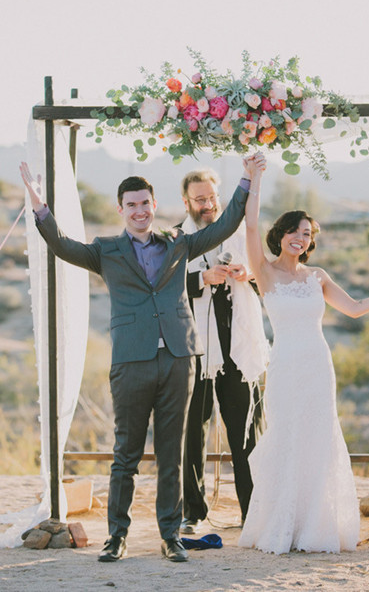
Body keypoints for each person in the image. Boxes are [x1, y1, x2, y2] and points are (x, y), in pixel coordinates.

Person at [19, 158, 264, 563]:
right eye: (131, 205)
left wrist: (246, 179)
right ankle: (117, 536)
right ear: (121, 209)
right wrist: (38, 203)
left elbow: (224, 226)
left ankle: (170, 536)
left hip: (179, 359)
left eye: (145, 203)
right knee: (126, 455)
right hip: (131, 361)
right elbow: (62, 246)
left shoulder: (178, 242)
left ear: (154, 204)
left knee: (172, 455)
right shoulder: (105, 250)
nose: (139, 211)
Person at [238, 152, 369, 554]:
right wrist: (255, 177)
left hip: (318, 366)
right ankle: (282, 524)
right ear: (280, 234)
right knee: (287, 436)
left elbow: (353, 307)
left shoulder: (317, 276)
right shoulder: (264, 271)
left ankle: (314, 526)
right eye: (293, 231)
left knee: (318, 439)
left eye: (306, 234)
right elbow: (249, 224)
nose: (299, 238)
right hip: (285, 366)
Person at [179, 168, 269, 533]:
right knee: (192, 431)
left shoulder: (242, 232)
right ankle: (192, 513)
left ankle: (254, 511)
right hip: (194, 348)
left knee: (246, 429)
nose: (208, 205)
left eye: (212, 198)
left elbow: (268, 280)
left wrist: (249, 274)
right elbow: (163, 286)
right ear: (186, 201)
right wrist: (201, 278)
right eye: (200, 199)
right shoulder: (175, 238)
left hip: (238, 346)